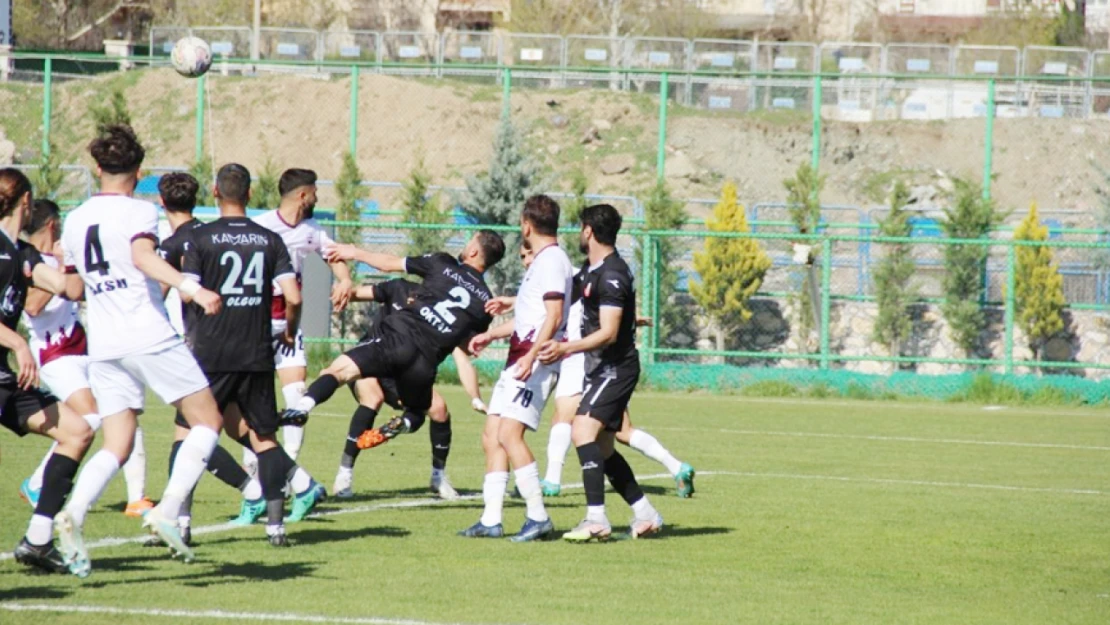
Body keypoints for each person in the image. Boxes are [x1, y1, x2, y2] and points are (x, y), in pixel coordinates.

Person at [59, 124, 228, 570]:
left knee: (116, 443)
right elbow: (142, 258)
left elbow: (74, 287)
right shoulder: (137, 213)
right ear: (139, 169)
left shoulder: (75, 219)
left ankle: (73, 513)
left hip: (104, 342)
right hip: (146, 333)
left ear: (96, 167)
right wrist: (191, 288)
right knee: (208, 420)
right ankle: (168, 511)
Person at [180, 163, 324, 546]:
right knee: (265, 439)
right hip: (257, 350)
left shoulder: (201, 238)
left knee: (188, 434)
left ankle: (181, 523)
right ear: (248, 194)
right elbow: (294, 296)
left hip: (211, 352)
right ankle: (276, 527)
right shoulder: (268, 238)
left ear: (215, 192)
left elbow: (184, 291)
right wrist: (291, 328)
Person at [280, 231, 505, 457]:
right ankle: (402, 424)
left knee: (337, 371)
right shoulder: (486, 302)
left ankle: (301, 408)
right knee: (418, 411)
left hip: (398, 339)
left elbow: (389, 264)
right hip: (424, 362)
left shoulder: (442, 263)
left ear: (474, 251)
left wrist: (354, 252)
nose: (465, 245)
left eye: (469, 242)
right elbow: (466, 346)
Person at [19, 199, 154, 518]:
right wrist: (63, 270)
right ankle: (37, 482)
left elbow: (81, 290)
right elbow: (33, 306)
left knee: (124, 412)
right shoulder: (29, 260)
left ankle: (137, 498)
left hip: (83, 349)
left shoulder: (59, 258)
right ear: (52, 224)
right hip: (54, 356)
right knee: (90, 419)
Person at [538, 204, 664, 542]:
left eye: (581, 228)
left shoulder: (612, 274)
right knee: (605, 449)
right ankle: (646, 513)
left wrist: (565, 347)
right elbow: (565, 299)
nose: (580, 234)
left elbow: (608, 332)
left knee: (582, 431)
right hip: (601, 367)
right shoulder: (593, 270)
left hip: (615, 368)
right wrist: (512, 301)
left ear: (588, 231)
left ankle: (596, 519)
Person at [155, 172, 266, 544]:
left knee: (188, 435)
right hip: (239, 345)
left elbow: (157, 293)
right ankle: (299, 483)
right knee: (240, 429)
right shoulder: (208, 232)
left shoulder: (175, 244)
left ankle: (181, 521)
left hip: (198, 350)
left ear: (161, 202)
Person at [0, 169, 96, 575]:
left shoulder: (23, 254)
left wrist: (73, 254)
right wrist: (19, 343)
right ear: (25, 201)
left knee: (77, 431)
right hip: (10, 366)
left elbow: (71, 290)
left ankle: (38, 540)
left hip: (5, 379)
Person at [460, 195, 572, 542]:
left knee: (510, 434)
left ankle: (538, 516)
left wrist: (532, 356)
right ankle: (491, 519)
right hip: (519, 358)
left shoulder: (552, 260)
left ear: (526, 224)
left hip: (533, 362)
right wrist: (491, 334)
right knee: (492, 435)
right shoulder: (541, 262)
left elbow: (553, 318)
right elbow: (531, 317)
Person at [334, 277, 485, 501]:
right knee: (372, 398)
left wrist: (475, 397)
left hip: (404, 372)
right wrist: (343, 290)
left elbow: (462, 360)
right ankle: (344, 475)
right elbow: (356, 293)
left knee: (438, 409)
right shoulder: (398, 287)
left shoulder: (440, 313)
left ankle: (438, 477)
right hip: (370, 359)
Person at [251, 168, 353, 468]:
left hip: (290, 322)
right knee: (254, 394)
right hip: (257, 321)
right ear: (302, 195)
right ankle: (253, 465)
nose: (317, 197)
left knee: (297, 392)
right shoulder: (262, 226)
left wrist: (344, 280)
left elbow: (335, 258)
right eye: (315, 192)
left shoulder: (312, 229)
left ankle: (288, 467)